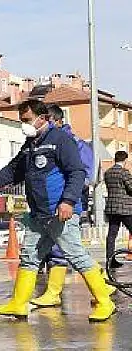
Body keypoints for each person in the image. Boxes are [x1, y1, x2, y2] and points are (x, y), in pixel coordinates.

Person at [0, 99, 115, 322]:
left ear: (43, 118)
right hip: (39, 214)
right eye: (21, 121)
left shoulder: (61, 140)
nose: (24, 125)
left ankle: (105, 302)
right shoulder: (29, 145)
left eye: (27, 120)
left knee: (76, 256)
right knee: (30, 257)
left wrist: (68, 201)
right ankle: (18, 304)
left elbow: (77, 173)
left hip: (60, 212)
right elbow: (13, 171)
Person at [30, 104, 114, 308]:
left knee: (68, 248)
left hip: (68, 203)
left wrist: (68, 197)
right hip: (50, 206)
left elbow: (85, 174)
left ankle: (62, 291)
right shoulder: (43, 141)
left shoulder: (72, 142)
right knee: (62, 247)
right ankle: (57, 291)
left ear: (58, 121)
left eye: (48, 120)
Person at [104, 150, 132, 267]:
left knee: (111, 235)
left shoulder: (107, 172)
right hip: (125, 209)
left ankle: (110, 260)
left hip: (112, 208)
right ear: (125, 160)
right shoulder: (124, 172)